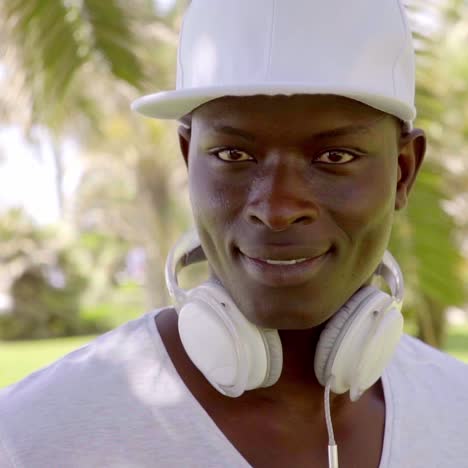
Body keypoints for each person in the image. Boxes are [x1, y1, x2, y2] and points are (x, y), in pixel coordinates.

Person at [1, 0, 467, 467]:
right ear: (188, 159)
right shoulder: (30, 437)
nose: (278, 209)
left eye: (335, 157)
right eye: (232, 156)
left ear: (403, 172)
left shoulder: (456, 410)